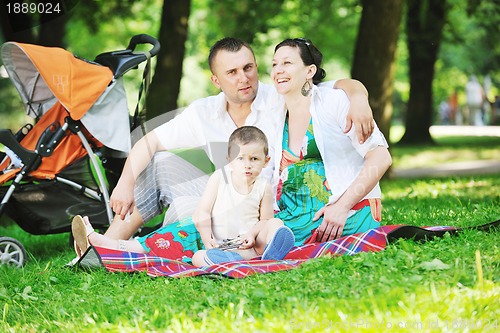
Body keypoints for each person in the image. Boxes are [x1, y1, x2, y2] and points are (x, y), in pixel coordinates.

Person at [100, 37, 376, 242]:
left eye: (248, 68)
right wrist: (125, 183)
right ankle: (107, 244)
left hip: (259, 203)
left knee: (186, 210)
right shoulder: (204, 112)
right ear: (216, 80)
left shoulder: (279, 97)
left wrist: (359, 96)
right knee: (160, 163)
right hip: (223, 192)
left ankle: (146, 249)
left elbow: (327, 86)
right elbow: (148, 142)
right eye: (232, 73)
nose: (243, 78)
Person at [72, 126, 295, 266]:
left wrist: (253, 233)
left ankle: (259, 253)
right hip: (210, 237)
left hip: (242, 243)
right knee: (174, 243)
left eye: (254, 160)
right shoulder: (220, 177)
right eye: (241, 159)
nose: (247, 165)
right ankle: (105, 243)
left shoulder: (263, 187)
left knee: (275, 223)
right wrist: (207, 238)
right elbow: (202, 212)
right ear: (229, 158)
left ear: (266, 162)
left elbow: (264, 220)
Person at [270, 38, 392, 244]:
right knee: (242, 229)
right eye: (274, 64)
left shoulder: (333, 101)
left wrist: (342, 206)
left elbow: (381, 158)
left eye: (287, 63)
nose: (278, 70)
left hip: (342, 213)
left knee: (262, 238)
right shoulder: (275, 111)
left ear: (309, 71)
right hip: (292, 214)